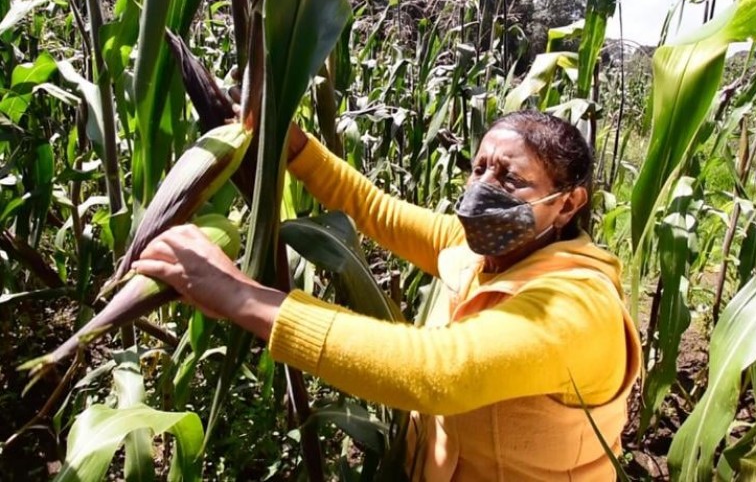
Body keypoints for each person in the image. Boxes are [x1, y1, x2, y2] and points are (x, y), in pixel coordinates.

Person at [133, 110, 641, 481]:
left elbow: (436, 373)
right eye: (479, 168)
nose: (483, 188)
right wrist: (296, 149)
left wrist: (238, 294)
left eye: (510, 179)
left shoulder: (577, 306)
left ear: (569, 203)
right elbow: (376, 210)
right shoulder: (479, 251)